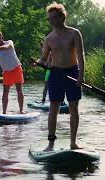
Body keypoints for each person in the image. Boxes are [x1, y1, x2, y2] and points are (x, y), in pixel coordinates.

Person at [36, 2, 85, 151]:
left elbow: (80, 55)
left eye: (53, 17)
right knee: (53, 108)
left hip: (73, 72)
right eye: (49, 18)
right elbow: (44, 58)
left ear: (62, 17)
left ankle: (73, 143)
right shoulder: (49, 39)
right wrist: (38, 62)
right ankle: (50, 144)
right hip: (56, 74)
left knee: (73, 108)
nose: (50, 21)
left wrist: (81, 76)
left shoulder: (74, 33)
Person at [0, 31, 25, 114]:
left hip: (16, 68)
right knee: (5, 92)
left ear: (2, 37)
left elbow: (8, 47)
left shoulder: (9, 42)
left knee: (19, 90)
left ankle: (21, 110)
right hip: (6, 72)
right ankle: (4, 112)